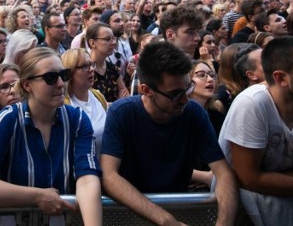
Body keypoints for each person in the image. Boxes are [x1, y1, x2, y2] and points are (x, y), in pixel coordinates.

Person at [101, 41, 238, 225]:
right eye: (175, 94)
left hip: (180, 210)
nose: (185, 99)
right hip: (130, 213)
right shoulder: (122, 113)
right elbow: (109, 177)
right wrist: (166, 221)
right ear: (147, 90)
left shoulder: (193, 113)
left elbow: (224, 174)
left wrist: (223, 223)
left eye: (187, 88)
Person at [0, 47, 102, 225]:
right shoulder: (9, 118)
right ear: (27, 84)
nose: (61, 83)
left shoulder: (78, 119)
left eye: (64, 75)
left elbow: (87, 178)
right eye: (50, 78)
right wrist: (37, 196)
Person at [218, 36, 293, 226]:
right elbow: (248, 178)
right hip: (246, 215)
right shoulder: (252, 103)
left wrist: (264, 180)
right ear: (281, 78)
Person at [62, 48, 107, 157]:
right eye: (85, 66)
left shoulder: (98, 96)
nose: (91, 69)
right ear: (70, 72)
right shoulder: (64, 106)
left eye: (92, 64)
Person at [87, 23, 128, 103]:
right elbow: (90, 103)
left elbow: (126, 95)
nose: (113, 42)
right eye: (107, 39)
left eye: (113, 38)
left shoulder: (112, 68)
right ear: (92, 43)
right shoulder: (86, 70)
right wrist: (116, 103)